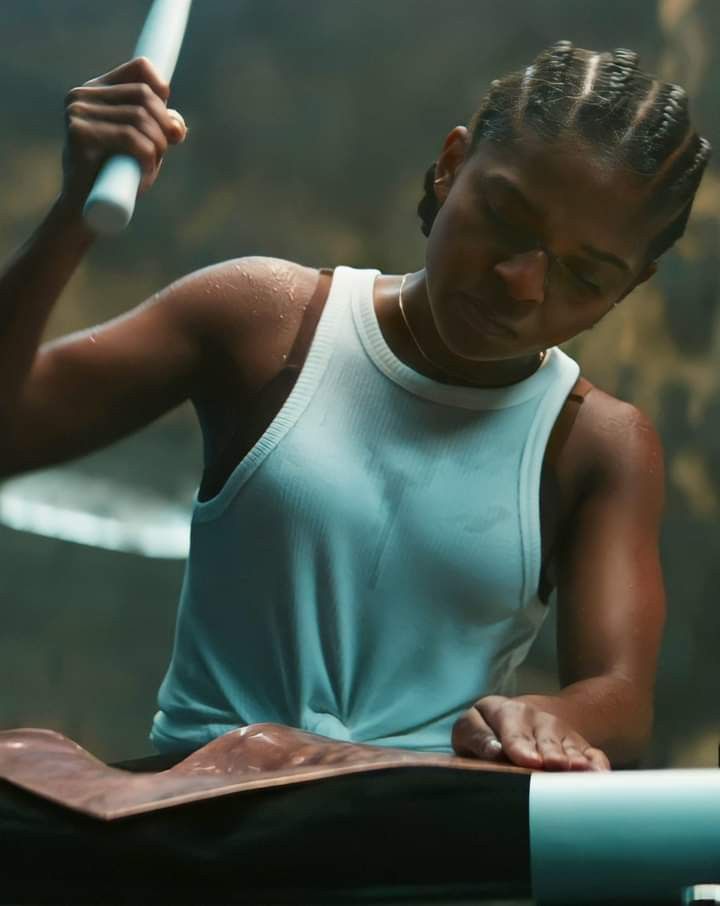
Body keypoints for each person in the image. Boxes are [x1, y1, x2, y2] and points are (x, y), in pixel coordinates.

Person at [0, 42, 711, 774]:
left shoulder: (596, 444)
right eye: (504, 217)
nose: (522, 283)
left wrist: (550, 718)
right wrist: (72, 212)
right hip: (192, 822)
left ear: (631, 286)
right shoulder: (264, 322)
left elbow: (619, 702)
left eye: (586, 275)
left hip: (404, 844)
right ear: (451, 164)